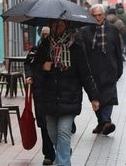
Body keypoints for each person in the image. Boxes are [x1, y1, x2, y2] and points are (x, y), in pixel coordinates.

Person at [30, 20, 100, 166]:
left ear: (67, 26)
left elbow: (86, 75)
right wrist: (44, 68)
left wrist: (94, 97)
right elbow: (35, 70)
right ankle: (64, 151)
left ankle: (63, 163)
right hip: (49, 99)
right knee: (52, 134)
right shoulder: (44, 47)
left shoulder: (76, 48)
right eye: (54, 25)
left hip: (70, 98)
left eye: (60, 25)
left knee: (63, 132)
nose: (57, 28)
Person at [79, 4, 123, 136]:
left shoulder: (112, 30)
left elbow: (118, 51)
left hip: (110, 68)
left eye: (99, 15)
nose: (97, 18)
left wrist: (119, 69)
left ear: (104, 15)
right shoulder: (85, 31)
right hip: (93, 70)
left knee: (109, 97)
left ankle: (106, 121)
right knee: (96, 97)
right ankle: (101, 122)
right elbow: (83, 52)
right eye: (94, 15)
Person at [24, 26, 55, 165]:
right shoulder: (34, 51)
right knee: (43, 123)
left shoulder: (58, 50)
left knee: (56, 123)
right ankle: (48, 153)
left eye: (48, 35)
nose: (45, 37)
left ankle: (61, 147)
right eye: (43, 35)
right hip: (40, 91)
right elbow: (28, 64)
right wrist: (30, 76)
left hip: (55, 91)